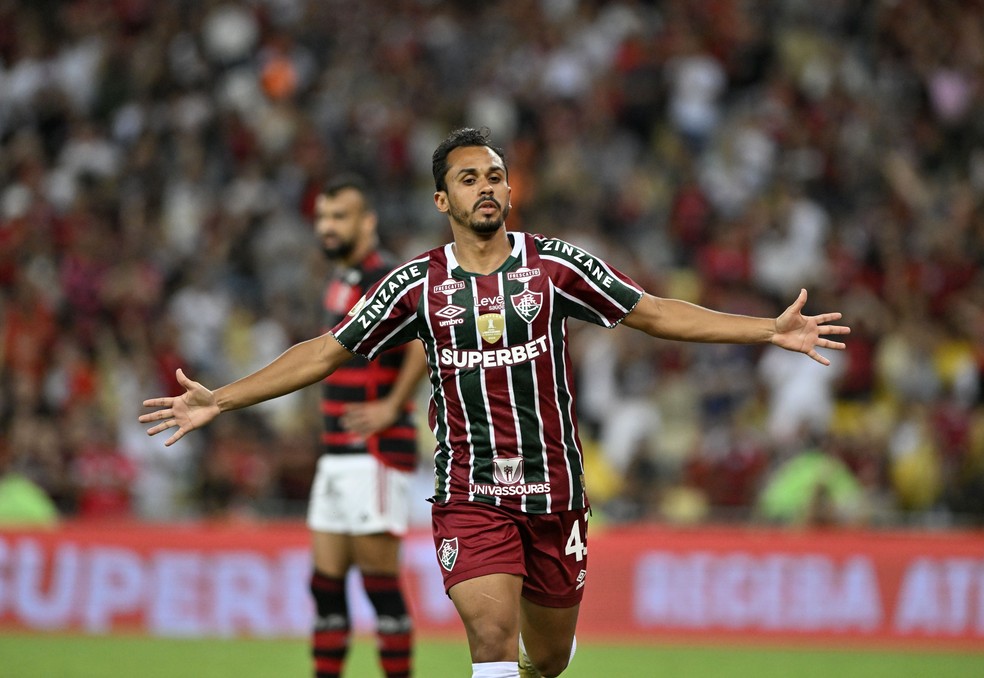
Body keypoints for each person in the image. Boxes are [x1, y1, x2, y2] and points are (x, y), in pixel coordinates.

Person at [140, 127, 850, 678]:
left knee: (548, 658)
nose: (487, 187)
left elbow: (654, 311)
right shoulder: (416, 285)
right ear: (442, 200)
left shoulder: (556, 267)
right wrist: (223, 400)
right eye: (469, 178)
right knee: (490, 637)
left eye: (496, 177)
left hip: (556, 494)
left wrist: (765, 328)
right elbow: (327, 350)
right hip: (469, 493)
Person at [306, 174, 427, 678]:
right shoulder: (343, 279)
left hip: (374, 451)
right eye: (322, 217)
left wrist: (393, 406)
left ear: (367, 222)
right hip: (337, 453)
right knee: (325, 587)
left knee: (381, 587)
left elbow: (422, 338)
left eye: (340, 217)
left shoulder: (385, 278)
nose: (328, 227)